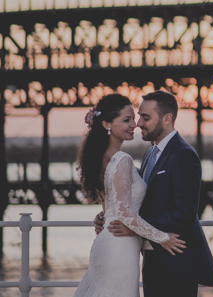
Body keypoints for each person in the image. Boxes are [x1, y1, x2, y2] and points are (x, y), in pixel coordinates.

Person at [105, 90, 213, 296]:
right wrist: (108, 215)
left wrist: (136, 228)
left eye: (146, 117)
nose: (139, 123)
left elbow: (183, 213)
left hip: (176, 261)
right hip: (152, 259)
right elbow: (140, 200)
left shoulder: (183, 155)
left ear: (167, 119)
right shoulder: (150, 153)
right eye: (139, 116)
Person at [74, 94, 186, 297]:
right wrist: (162, 238)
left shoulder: (103, 157)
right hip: (119, 247)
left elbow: (113, 206)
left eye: (133, 119)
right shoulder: (122, 159)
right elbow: (125, 213)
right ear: (107, 124)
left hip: (111, 242)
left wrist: (104, 217)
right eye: (126, 120)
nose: (134, 124)